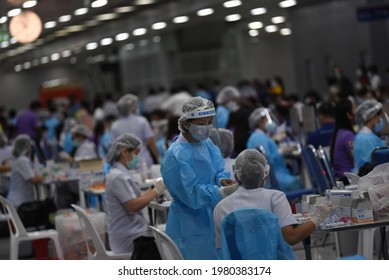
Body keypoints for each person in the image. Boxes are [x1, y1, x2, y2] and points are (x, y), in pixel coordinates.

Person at [161, 96, 238, 260]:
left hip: (211, 216)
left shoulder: (207, 144)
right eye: (201, 123)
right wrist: (220, 192)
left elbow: (217, 170)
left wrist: (221, 180)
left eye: (210, 122)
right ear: (187, 124)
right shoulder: (176, 155)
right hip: (189, 224)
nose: (207, 127)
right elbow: (192, 195)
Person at [213, 149, 332, 250]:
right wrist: (318, 217)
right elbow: (291, 237)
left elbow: (222, 249)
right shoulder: (275, 198)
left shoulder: (220, 207)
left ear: (235, 175)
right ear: (264, 174)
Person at [105, 133, 166, 259]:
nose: (137, 158)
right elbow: (133, 205)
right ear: (125, 152)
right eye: (136, 153)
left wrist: (155, 188)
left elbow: (136, 198)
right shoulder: (118, 176)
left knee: (163, 237)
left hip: (131, 230)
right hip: (129, 236)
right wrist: (156, 191)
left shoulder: (120, 173)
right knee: (166, 244)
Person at [247, 107, 302, 192]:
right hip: (274, 177)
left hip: (278, 174)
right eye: (267, 119)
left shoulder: (262, 136)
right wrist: (280, 151)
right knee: (296, 183)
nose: (270, 122)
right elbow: (267, 161)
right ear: (260, 122)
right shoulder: (258, 138)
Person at [110, 94, 160, 167]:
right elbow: (151, 142)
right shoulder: (142, 121)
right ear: (133, 108)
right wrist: (158, 156)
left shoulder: (115, 126)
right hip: (143, 159)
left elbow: (114, 148)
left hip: (126, 162)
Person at [354, 100, 386, 171]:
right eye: (380, 117)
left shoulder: (361, 135)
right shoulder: (369, 140)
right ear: (373, 116)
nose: (381, 120)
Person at [329, 99, 356, 184]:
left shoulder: (339, 132)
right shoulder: (348, 135)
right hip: (349, 179)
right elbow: (356, 157)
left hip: (342, 177)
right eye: (354, 109)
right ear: (349, 115)